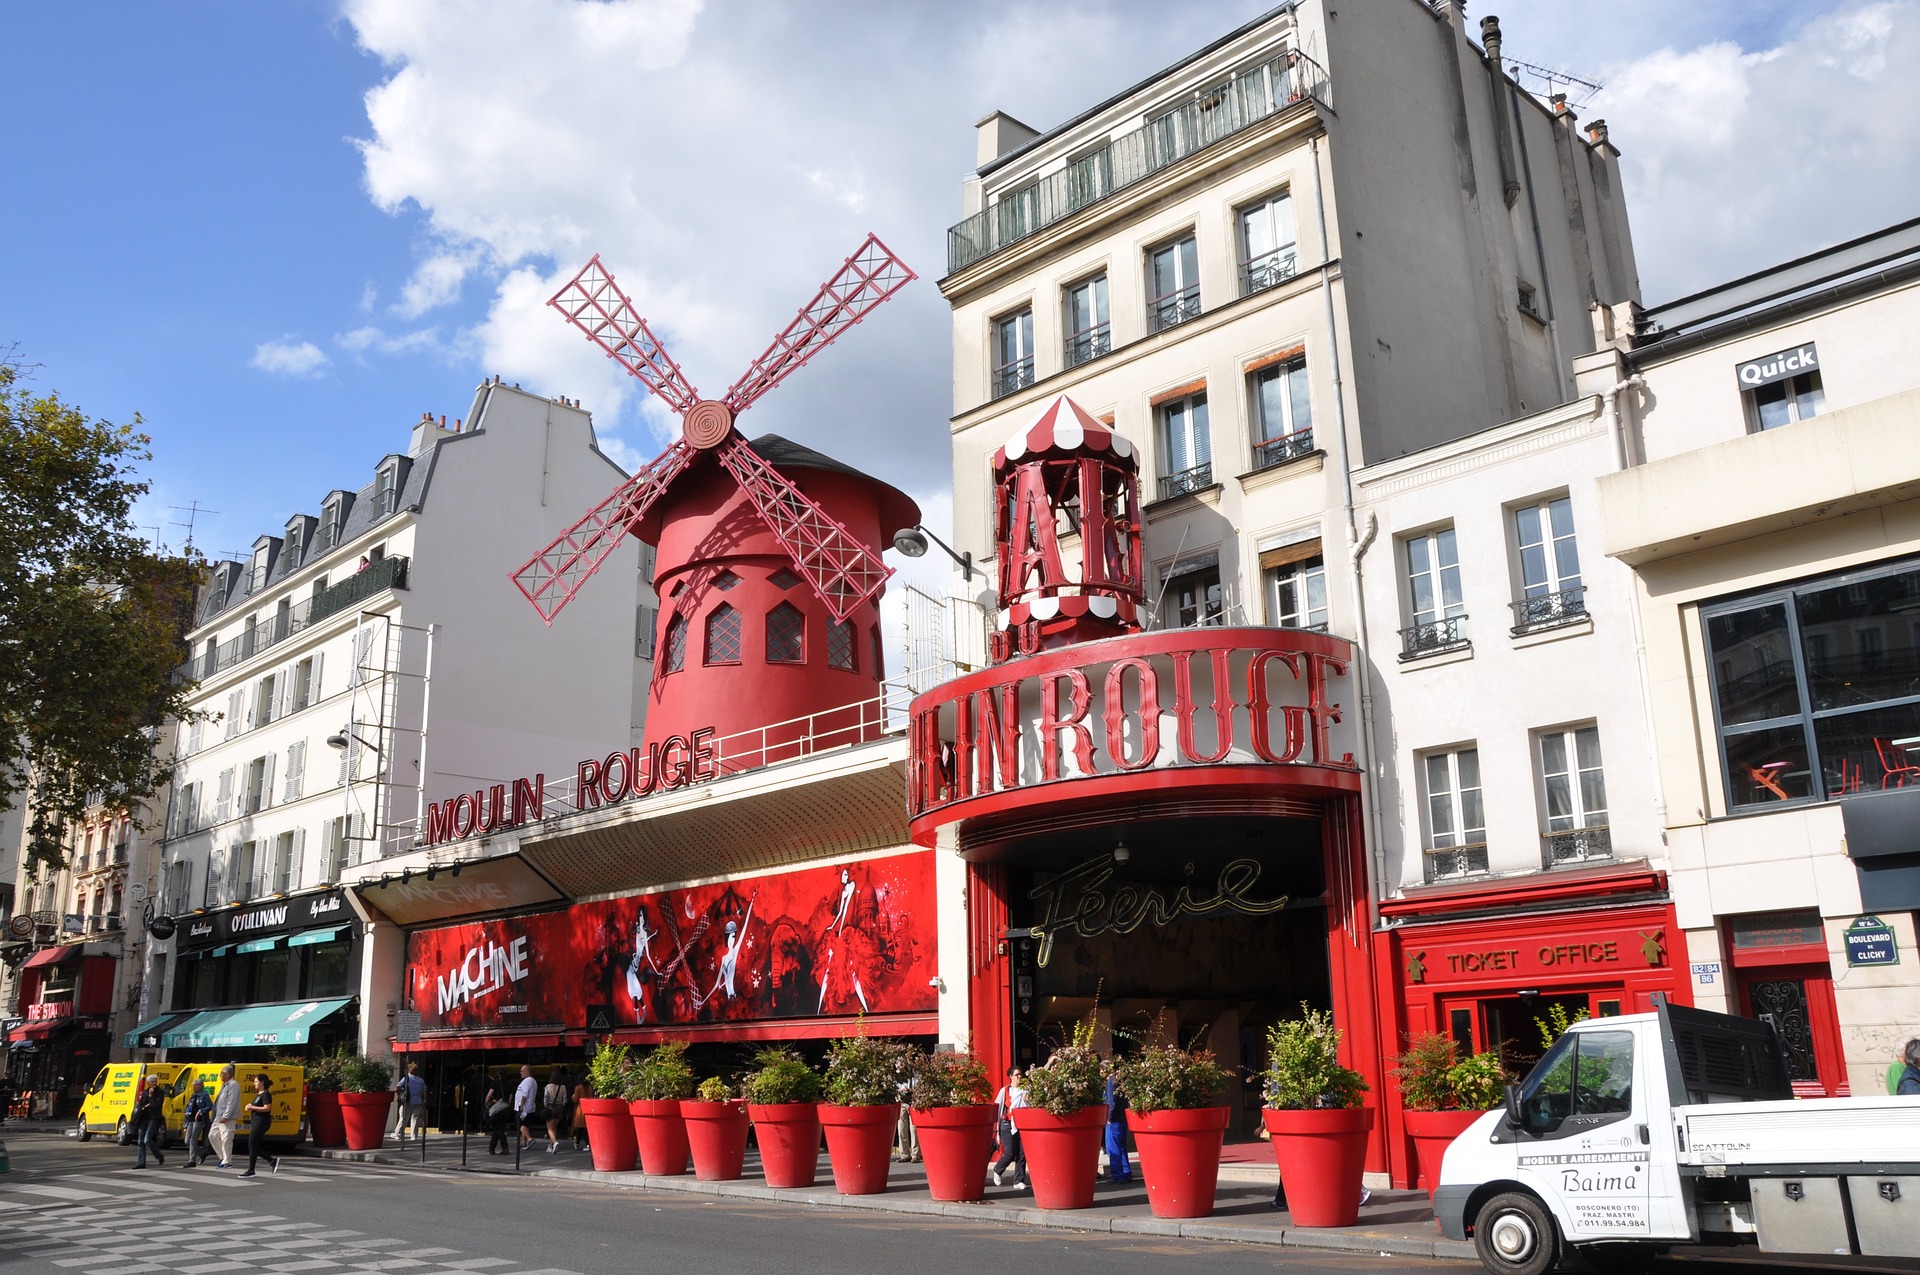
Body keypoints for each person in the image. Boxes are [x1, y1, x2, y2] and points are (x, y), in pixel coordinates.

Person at [990, 1068, 1027, 1189]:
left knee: (1022, 1153)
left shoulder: (1026, 1090)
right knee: (1010, 1152)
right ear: (1011, 1076)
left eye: (1021, 1074)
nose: (1019, 1077)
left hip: (1022, 1124)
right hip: (1007, 1124)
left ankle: (1018, 1181)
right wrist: (995, 1127)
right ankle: (998, 1169)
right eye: (1017, 1075)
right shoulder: (1005, 1090)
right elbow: (997, 1107)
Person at [239, 1072, 277, 1178]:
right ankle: (271, 1160)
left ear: (262, 1082)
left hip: (262, 1121)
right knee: (253, 1145)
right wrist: (250, 1106)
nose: (254, 1084)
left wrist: (252, 1107)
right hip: (256, 1121)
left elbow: (267, 1108)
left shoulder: (266, 1094)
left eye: (256, 1082)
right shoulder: (259, 1095)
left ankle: (251, 1170)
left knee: (252, 1144)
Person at [131, 1075, 167, 1169]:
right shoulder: (144, 1092)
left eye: (155, 1081)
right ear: (148, 1083)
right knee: (140, 1142)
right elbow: (141, 1105)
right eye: (152, 1082)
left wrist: (151, 1097)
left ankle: (159, 1156)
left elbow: (156, 1106)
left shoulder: (160, 1092)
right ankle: (141, 1163)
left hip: (153, 1118)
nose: (154, 1083)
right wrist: (145, 1106)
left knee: (147, 1139)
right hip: (143, 1118)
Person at [1103, 1072, 1132, 1183]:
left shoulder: (1111, 1081)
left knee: (1113, 1148)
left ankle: (1117, 1175)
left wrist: (1109, 1117)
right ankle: (1126, 1172)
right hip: (1123, 1117)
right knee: (1122, 1147)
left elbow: (1111, 1100)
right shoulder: (1122, 1079)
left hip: (1114, 1119)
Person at [209, 1064, 240, 1169]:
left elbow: (232, 1102)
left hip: (227, 1118)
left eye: (222, 1073)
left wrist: (226, 1115)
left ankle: (227, 1161)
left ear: (227, 1074)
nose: (220, 1075)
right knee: (212, 1136)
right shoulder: (225, 1085)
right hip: (218, 1117)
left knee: (227, 1138)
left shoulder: (233, 1085)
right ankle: (223, 1157)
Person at [182, 1079, 214, 1168]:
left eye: (196, 1085)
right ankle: (202, 1154)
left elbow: (210, 1106)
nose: (194, 1087)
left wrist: (201, 1111)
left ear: (201, 1086)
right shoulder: (193, 1095)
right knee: (187, 1141)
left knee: (193, 1139)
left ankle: (192, 1160)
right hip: (190, 1120)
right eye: (193, 1085)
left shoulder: (204, 1095)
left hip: (199, 1120)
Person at [893, 1059, 919, 1163]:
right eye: (898, 1063)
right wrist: (899, 1091)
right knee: (901, 1128)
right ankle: (904, 1154)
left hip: (912, 1102)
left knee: (914, 1129)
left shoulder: (912, 1074)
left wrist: (910, 1090)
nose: (899, 1065)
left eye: (901, 1063)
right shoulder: (895, 1076)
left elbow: (917, 1086)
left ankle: (915, 1154)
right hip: (901, 1102)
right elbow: (893, 1087)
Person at [395, 1061, 427, 1141]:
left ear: (409, 1070)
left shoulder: (406, 1079)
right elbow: (424, 1092)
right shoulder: (421, 1081)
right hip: (418, 1101)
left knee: (403, 1118)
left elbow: (397, 1088)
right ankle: (413, 1136)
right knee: (415, 1119)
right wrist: (424, 1101)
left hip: (408, 1101)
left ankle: (398, 1134)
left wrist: (400, 1096)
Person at [483, 1075, 512, 1155]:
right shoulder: (509, 1083)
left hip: (496, 1109)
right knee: (497, 1128)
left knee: (498, 1129)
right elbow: (510, 1096)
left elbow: (489, 1094)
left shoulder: (496, 1082)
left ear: (498, 1074)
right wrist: (507, 1106)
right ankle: (491, 1148)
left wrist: (486, 1104)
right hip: (504, 1108)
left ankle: (505, 1147)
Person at [513, 1064, 539, 1151]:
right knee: (525, 1124)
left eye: (522, 1071)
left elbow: (524, 1094)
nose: (520, 1073)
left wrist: (521, 1105)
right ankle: (523, 1142)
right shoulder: (533, 1081)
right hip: (530, 1107)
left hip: (524, 1108)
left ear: (528, 1071)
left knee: (519, 1124)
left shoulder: (527, 1081)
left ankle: (529, 1139)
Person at [543, 1070, 570, 1153]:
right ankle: (550, 1146)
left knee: (550, 1128)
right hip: (559, 1108)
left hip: (550, 1107)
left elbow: (545, 1099)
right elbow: (565, 1099)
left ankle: (555, 1143)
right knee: (554, 1127)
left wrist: (546, 1106)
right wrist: (561, 1105)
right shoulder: (563, 1087)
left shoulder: (548, 1086)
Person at [570, 1075, 591, 1151]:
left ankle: (578, 1143)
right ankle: (586, 1143)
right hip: (588, 1108)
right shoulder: (590, 1087)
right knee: (585, 1128)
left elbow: (575, 1099)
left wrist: (572, 1097)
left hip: (580, 1109)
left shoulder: (578, 1087)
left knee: (580, 1128)